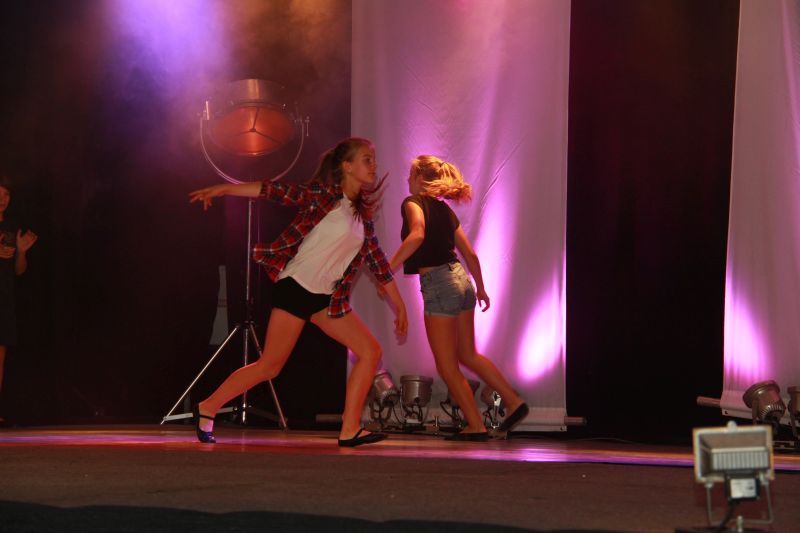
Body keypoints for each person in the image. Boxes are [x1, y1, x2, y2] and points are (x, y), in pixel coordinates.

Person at [188, 137, 407, 447]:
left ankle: (350, 429)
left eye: (373, 160)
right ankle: (208, 406)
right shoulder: (323, 197)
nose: (374, 165)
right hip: (295, 288)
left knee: (371, 351)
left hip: (325, 299)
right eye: (366, 159)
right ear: (347, 166)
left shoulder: (362, 219)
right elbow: (274, 190)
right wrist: (224, 189)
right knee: (270, 366)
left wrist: (400, 306)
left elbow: (378, 264)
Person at [388, 155, 528, 440]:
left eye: (410, 175)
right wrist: (481, 288)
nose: (407, 180)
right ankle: (514, 402)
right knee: (468, 354)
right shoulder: (445, 210)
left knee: (447, 365)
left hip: (439, 284)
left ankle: (475, 425)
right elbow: (471, 254)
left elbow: (417, 234)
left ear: (419, 179)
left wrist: (387, 268)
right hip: (462, 281)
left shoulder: (412, 202)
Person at [0, 176, 38, 424]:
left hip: (4, 297)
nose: (2, 200)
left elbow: (19, 270)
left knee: (0, 356)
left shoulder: (12, 226)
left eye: (6, 195)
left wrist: (22, 252)